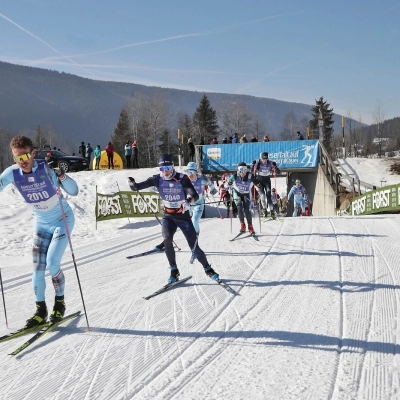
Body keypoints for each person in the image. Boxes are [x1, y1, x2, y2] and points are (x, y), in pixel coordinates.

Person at [0, 136, 78, 327]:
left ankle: (59, 304)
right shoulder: (12, 173)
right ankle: (40, 311)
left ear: (33, 153)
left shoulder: (47, 168)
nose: (23, 162)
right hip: (42, 224)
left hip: (62, 219)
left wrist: (61, 174)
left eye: (25, 156)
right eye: (18, 158)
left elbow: (74, 191)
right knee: (37, 270)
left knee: (52, 263)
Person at [127, 154, 220, 284]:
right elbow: (136, 187)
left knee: (194, 246)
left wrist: (188, 201)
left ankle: (208, 269)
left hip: (182, 216)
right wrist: (132, 183)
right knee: (167, 239)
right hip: (168, 216)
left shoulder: (182, 179)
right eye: (162, 169)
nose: (165, 171)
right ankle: (174, 270)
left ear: (172, 167)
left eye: (168, 167)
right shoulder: (157, 179)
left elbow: (193, 194)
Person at [226, 162, 257, 234]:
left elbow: (257, 183)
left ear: (246, 170)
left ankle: (250, 226)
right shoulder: (234, 175)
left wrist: (259, 186)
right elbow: (227, 185)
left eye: (244, 171)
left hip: (246, 193)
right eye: (240, 171)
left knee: (247, 210)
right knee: (239, 208)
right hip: (237, 193)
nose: (242, 173)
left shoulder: (250, 176)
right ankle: (242, 225)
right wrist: (229, 184)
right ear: (238, 171)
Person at [252, 152, 281, 218]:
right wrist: (253, 165)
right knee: (262, 196)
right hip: (259, 181)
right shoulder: (258, 162)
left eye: (266, 159)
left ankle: (272, 211)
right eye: (263, 159)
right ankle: (264, 210)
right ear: (261, 158)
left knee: (268, 196)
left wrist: (275, 166)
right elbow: (252, 172)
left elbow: (278, 172)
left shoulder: (270, 163)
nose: (264, 161)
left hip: (267, 181)